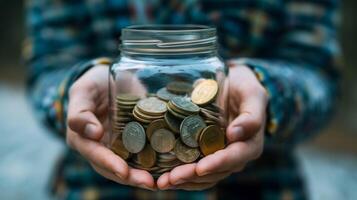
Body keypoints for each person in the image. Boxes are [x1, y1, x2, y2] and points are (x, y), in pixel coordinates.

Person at [24, 0, 341, 199]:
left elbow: (318, 75)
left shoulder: (213, 69)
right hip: (94, 188)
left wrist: (268, 93)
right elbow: (48, 69)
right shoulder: (122, 69)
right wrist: (73, 94)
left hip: (258, 187)